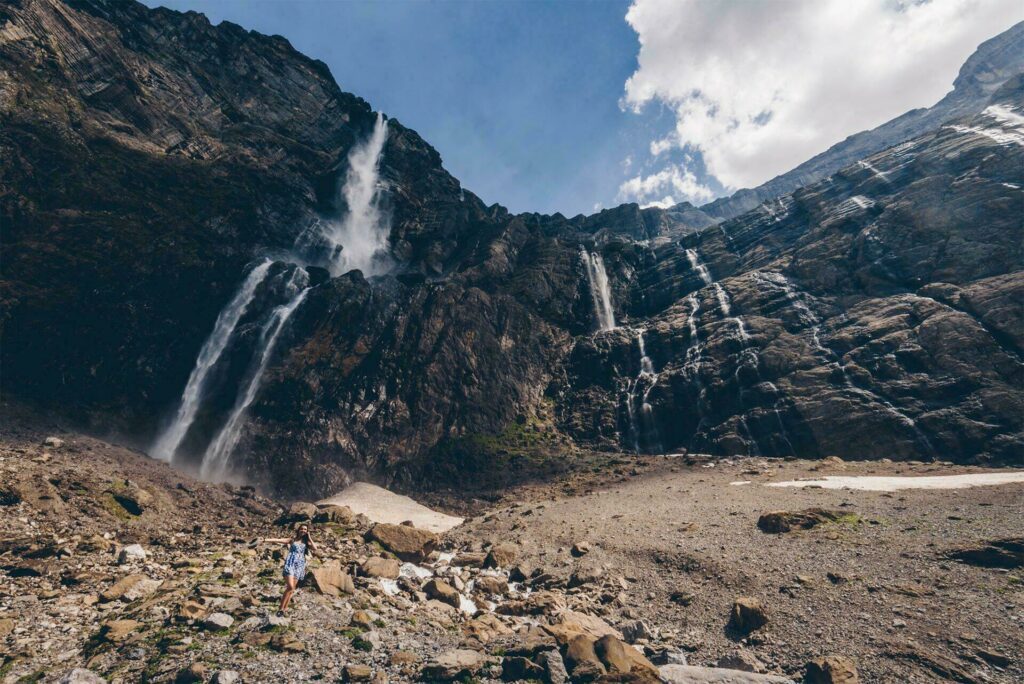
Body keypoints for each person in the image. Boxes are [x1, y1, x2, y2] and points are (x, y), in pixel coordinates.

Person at [261, 524, 318, 615]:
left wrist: (309, 537)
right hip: (290, 564)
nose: (303, 530)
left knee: (292, 589)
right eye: (301, 529)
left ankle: (284, 610)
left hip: (299, 566)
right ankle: (280, 609)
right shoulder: (292, 540)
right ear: (298, 530)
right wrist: (265, 539)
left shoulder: (306, 543)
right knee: (290, 587)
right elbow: (279, 540)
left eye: (305, 529)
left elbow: (315, 548)